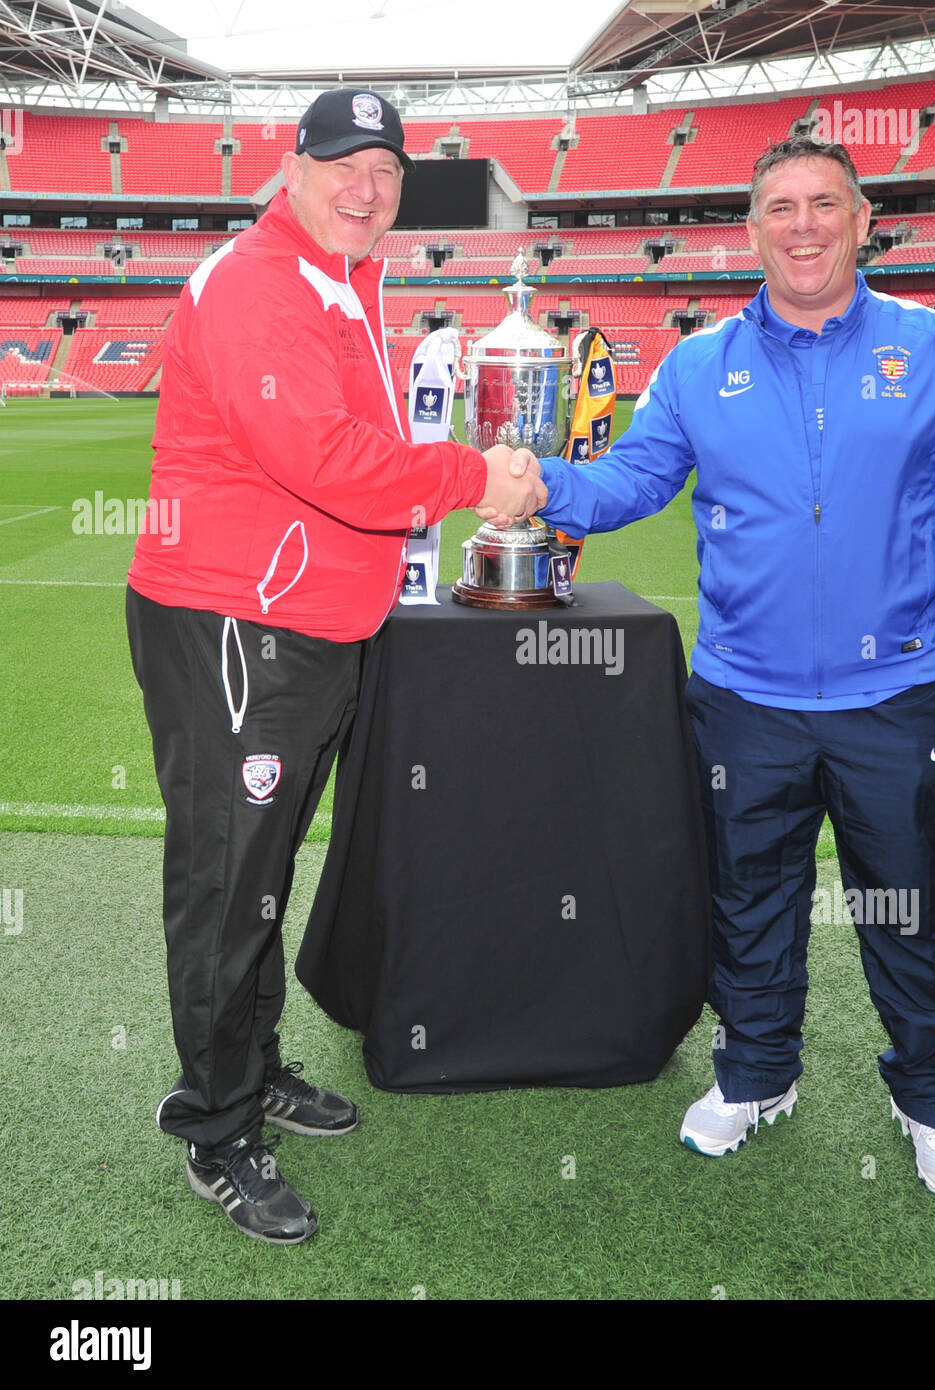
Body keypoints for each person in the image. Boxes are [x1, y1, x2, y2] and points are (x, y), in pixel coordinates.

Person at [529, 136, 935, 1200]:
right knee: (749, 903)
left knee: (905, 904)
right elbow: (630, 481)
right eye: (780, 207)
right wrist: (530, 482)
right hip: (743, 700)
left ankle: (930, 1098)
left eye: (824, 204)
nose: (802, 224)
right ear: (752, 228)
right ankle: (758, 1073)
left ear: (863, 221)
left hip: (893, 696)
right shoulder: (696, 364)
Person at [126, 89, 545, 1245]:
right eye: (343, 165)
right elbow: (321, 457)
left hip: (303, 624)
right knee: (225, 882)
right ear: (292, 166)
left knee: (258, 871)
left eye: (387, 172)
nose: (366, 189)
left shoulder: (344, 282)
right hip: (233, 623)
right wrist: (472, 478)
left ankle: (249, 1070)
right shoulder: (260, 280)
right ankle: (215, 1128)